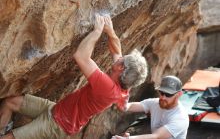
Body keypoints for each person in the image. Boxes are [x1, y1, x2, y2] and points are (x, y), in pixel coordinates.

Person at [0, 14, 148, 139]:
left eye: (122, 60)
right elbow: (117, 51)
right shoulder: (123, 84)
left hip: (57, 124)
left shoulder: (107, 88)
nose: (119, 58)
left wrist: (97, 32)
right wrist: (110, 31)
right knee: (10, 102)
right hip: (56, 110)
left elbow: (81, 56)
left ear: (121, 67)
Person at [112, 76, 189, 139]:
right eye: (162, 93)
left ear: (179, 94)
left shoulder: (180, 117)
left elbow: (157, 136)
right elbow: (131, 106)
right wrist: (124, 105)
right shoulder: (155, 103)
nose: (163, 97)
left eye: (168, 94)